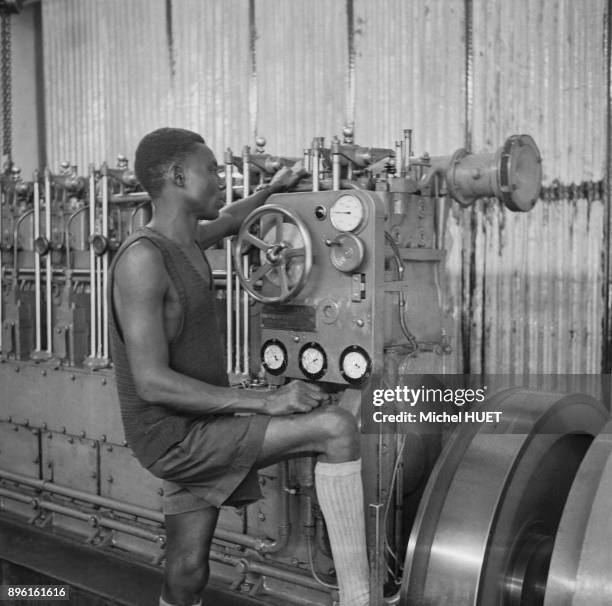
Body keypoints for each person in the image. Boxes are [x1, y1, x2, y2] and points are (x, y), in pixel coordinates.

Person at [109, 127, 370, 606]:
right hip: (175, 436)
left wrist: (273, 190)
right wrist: (266, 401)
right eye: (211, 171)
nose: (217, 180)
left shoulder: (186, 240)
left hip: (199, 421)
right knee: (336, 429)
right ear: (176, 175)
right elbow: (150, 382)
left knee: (188, 569)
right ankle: (360, 599)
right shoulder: (143, 259)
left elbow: (231, 219)